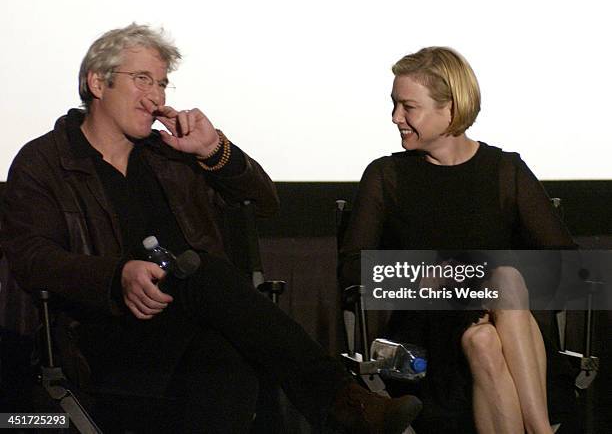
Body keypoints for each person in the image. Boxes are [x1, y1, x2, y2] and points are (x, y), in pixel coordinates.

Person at [0, 23, 421, 433]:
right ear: (97, 82)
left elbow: (264, 202)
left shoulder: (169, 158)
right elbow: (32, 258)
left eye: (162, 84)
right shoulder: (47, 161)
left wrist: (213, 150)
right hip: (102, 332)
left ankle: (342, 404)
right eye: (142, 79)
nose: (155, 96)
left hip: (195, 322)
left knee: (227, 361)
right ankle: (341, 401)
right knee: (204, 274)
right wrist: (116, 276)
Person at [339, 47, 577, 434]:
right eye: (395, 105)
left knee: (497, 304)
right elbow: (351, 269)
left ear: (450, 108)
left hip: (508, 333)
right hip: (427, 342)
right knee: (485, 330)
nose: (396, 117)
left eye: (408, 106)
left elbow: (567, 266)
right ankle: (541, 428)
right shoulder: (387, 176)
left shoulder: (505, 171)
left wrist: (485, 283)